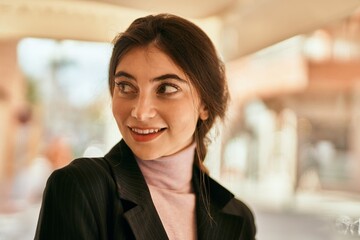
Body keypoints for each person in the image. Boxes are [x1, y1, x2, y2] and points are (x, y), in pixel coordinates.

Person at [34, 13, 256, 240]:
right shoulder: (80, 188)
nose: (140, 112)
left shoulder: (238, 218)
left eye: (166, 89)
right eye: (125, 86)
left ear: (205, 105)